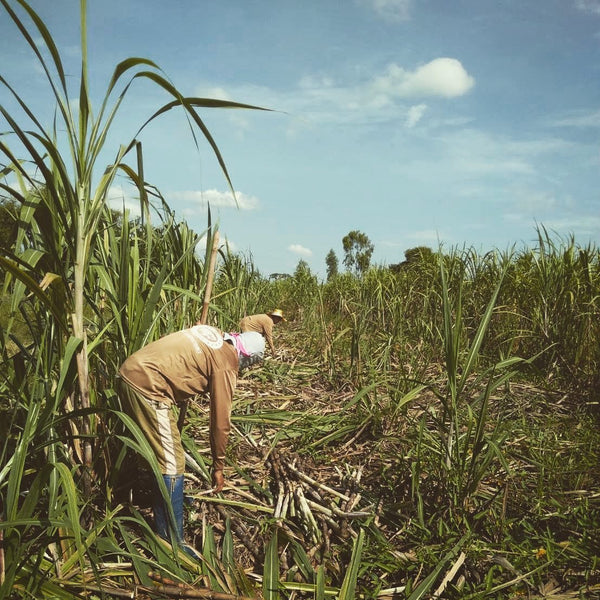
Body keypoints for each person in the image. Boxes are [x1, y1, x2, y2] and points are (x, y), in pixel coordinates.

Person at [117, 324, 265, 554]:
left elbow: (183, 357)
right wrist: (218, 466)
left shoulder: (212, 332)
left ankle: (164, 499)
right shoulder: (227, 364)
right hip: (149, 387)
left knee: (154, 451)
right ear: (247, 359)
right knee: (172, 462)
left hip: (130, 370)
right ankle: (171, 541)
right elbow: (220, 422)